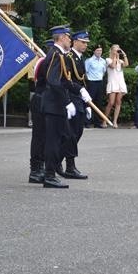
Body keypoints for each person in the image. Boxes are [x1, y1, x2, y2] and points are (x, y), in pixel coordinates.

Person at [40, 25, 76, 189]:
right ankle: (49, 176)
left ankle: (51, 172)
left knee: (64, 137)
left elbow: (64, 81)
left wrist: (80, 90)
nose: (70, 40)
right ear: (61, 38)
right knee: (53, 141)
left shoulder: (58, 54)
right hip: (54, 105)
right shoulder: (56, 55)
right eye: (69, 37)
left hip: (55, 104)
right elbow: (53, 81)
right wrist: (66, 101)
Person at [60, 30, 91, 179]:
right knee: (72, 133)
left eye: (86, 43)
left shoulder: (80, 58)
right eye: (83, 42)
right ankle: (69, 166)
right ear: (75, 41)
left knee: (77, 132)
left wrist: (88, 104)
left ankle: (57, 160)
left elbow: (82, 79)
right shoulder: (68, 57)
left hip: (79, 98)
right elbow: (67, 80)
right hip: (71, 97)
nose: (85, 45)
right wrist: (79, 91)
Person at [27, 39, 53, 184]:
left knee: (46, 137)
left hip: (47, 101)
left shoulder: (49, 62)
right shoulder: (43, 62)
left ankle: (42, 166)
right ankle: (35, 170)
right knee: (39, 137)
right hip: (40, 101)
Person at [104, 44, 128, 128]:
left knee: (118, 102)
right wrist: (114, 57)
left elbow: (126, 64)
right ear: (111, 51)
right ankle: (104, 120)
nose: (116, 52)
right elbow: (113, 66)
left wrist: (123, 54)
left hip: (120, 82)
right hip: (112, 82)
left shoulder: (120, 61)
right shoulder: (108, 60)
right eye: (115, 50)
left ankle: (115, 121)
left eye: (118, 50)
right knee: (111, 102)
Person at [84, 44, 107, 127]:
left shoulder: (103, 61)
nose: (99, 52)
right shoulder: (89, 61)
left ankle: (97, 122)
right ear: (94, 51)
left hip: (100, 82)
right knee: (89, 102)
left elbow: (104, 72)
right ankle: (87, 122)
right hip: (91, 82)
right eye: (97, 50)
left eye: (100, 50)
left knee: (99, 102)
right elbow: (85, 73)